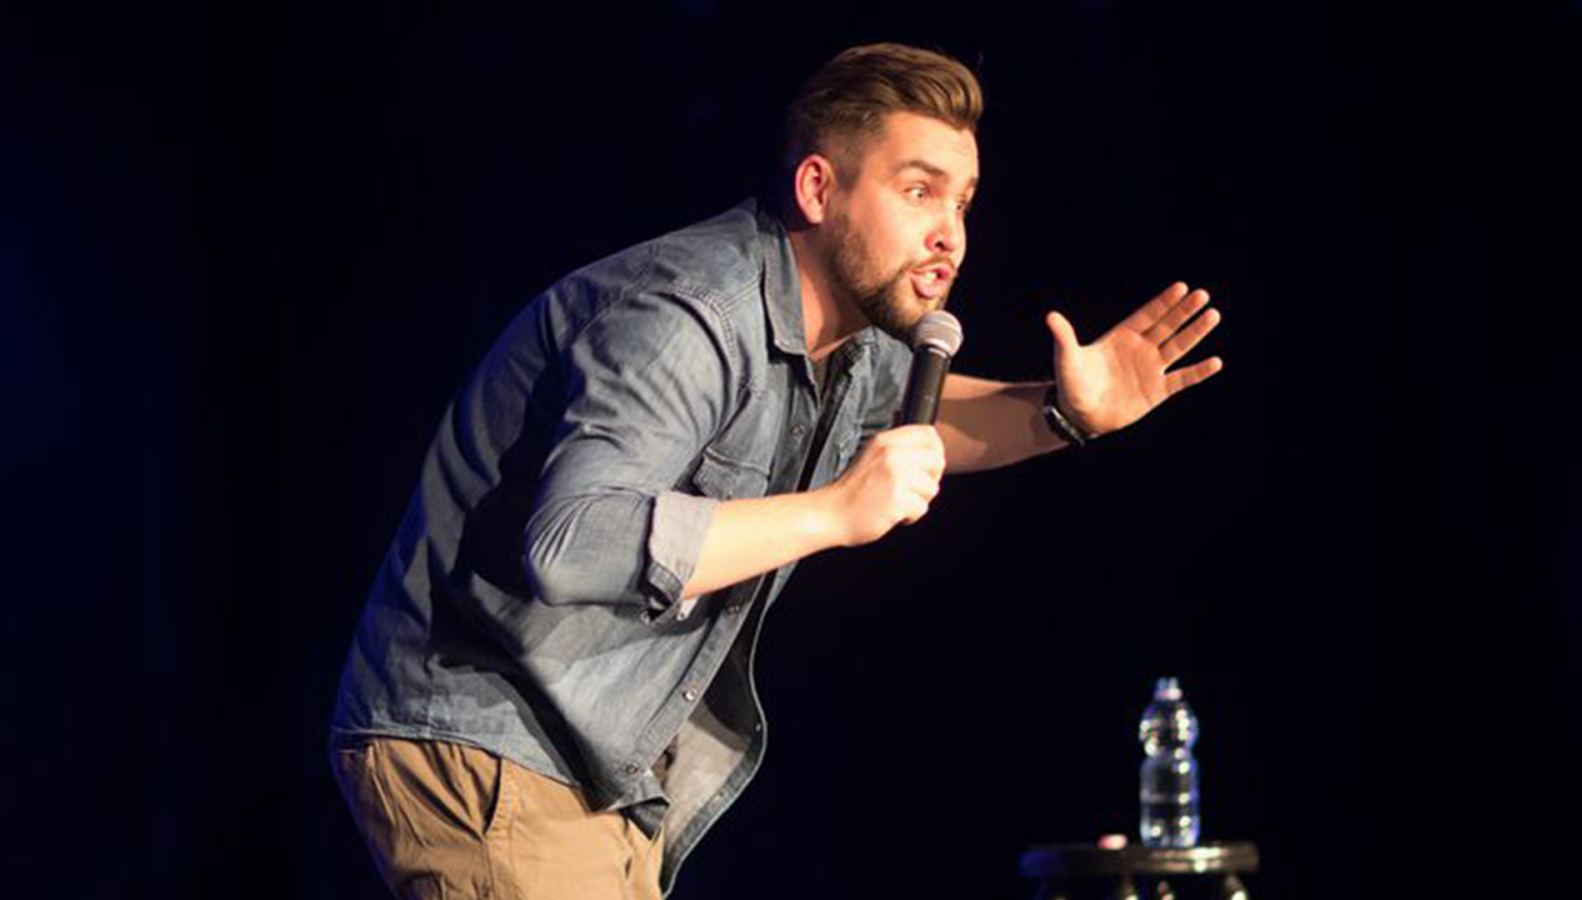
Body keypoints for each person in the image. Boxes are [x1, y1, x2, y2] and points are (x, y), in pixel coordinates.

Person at [328, 42, 1223, 900]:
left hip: (583, 765)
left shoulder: (846, 341)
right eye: (918, 192)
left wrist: (1065, 413)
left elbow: (926, 425)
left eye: (962, 203)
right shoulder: (689, 316)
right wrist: (836, 510)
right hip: (482, 733)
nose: (948, 234)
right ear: (817, 188)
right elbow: (572, 543)